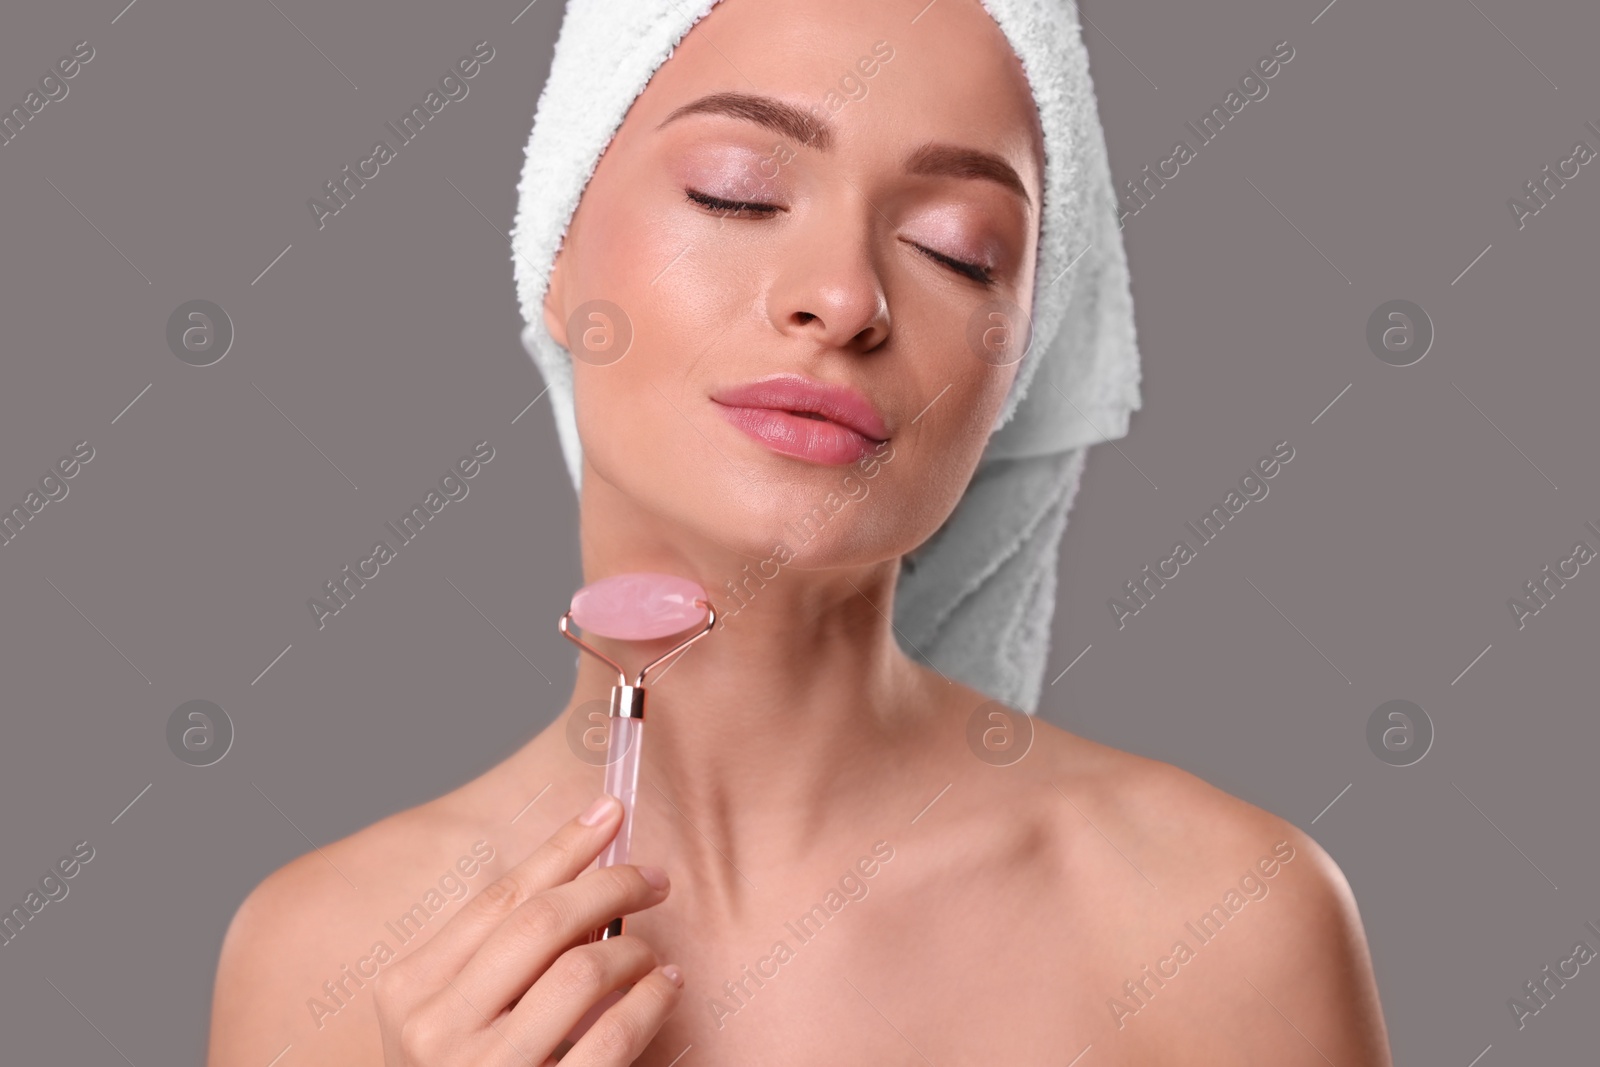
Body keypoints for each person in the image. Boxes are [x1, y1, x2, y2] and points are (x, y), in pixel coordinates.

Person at [208, 0, 1393, 1062]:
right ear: (553, 248)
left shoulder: (1217, 925)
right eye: (735, 189)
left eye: (956, 248)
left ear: (1020, 357)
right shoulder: (325, 960)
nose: (842, 293)